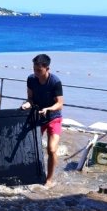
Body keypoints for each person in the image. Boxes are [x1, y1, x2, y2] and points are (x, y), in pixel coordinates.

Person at [19, 53, 64, 187]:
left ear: (47, 68)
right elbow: (30, 98)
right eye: (34, 69)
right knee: (31, 148)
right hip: (37, 117)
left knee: (51, 149)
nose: (36, 72)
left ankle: (49, 179)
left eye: (39, 70)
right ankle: (33, 173)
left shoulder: (55, 82)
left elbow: (60, 103)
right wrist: (28, 104)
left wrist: (48, 109)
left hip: (53, 117)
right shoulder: (31, 79)